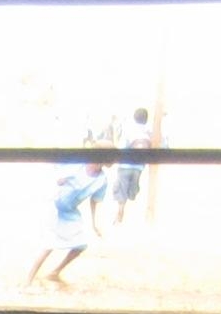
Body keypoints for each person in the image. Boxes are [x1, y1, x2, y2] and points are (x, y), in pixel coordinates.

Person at [26, 156, 108, 288]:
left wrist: (94, 223)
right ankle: (27, 281)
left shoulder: (101, 180)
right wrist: (59, 179)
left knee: (80, 245)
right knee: (49, 244)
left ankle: (54, 273)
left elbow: (95, 200)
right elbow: (56, 169)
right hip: (54, 204)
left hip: (69, 211)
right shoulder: (77, 165)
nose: (98, 165)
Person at [112, 106, 151, 225]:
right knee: (133, 191)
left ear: (134, 117)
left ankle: (120, 211)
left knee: (121, 190)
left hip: (125, 165)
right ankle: (130, 202)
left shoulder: (129, 130)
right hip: (139, 168)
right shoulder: (149, 132)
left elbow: (122, 147)